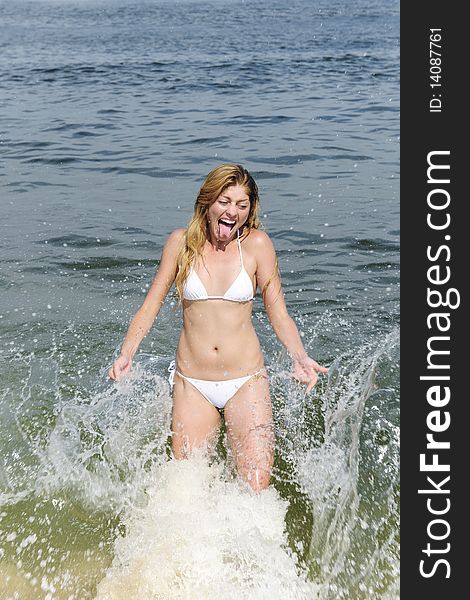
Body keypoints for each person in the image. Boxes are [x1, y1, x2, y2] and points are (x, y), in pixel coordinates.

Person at [108, 164, 327, 492]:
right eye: (225, 201)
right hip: (192, 383)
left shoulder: (257, 245)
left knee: (256, 485)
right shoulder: (180, 244)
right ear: (208, 202)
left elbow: (277, 311)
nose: (232, 212)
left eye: (242, 205)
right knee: (187, 488)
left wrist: (299, 356)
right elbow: (150, 305)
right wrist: (127, 354)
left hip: (246, 380)